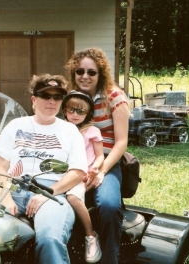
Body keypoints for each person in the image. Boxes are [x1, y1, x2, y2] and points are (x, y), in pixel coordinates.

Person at [0, 74, 88, 263]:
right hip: (12, 188)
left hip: (53, 192)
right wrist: (6, 197)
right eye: (46, 96)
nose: (52, 101)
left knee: (50, 239)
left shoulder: (70, 131)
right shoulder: (15, 125)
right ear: (34, 100)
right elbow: (1, 167)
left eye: (57, 97)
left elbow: (77, 172)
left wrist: (47, 193)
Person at [65, 48, 130, 263]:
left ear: (100, 74)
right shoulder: (72, 98)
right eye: (79, 71)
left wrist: (100, 171)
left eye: (91, 72)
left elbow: (121, 142)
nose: (85, 76)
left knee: (109, 205)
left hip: (107, 162)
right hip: (73, 163)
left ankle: (110, 258)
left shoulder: (114, 96)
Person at [61, 90, 104, 263]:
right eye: (71, 110)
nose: (75, 115)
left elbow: (100, 155)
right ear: (64, 110)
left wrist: (95, 168)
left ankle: (90, 235)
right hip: (62, 172)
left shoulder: (91, 131)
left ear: (88, 114)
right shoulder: (60, 128)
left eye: (81, 111)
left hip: (82, 175)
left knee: (72, 197)